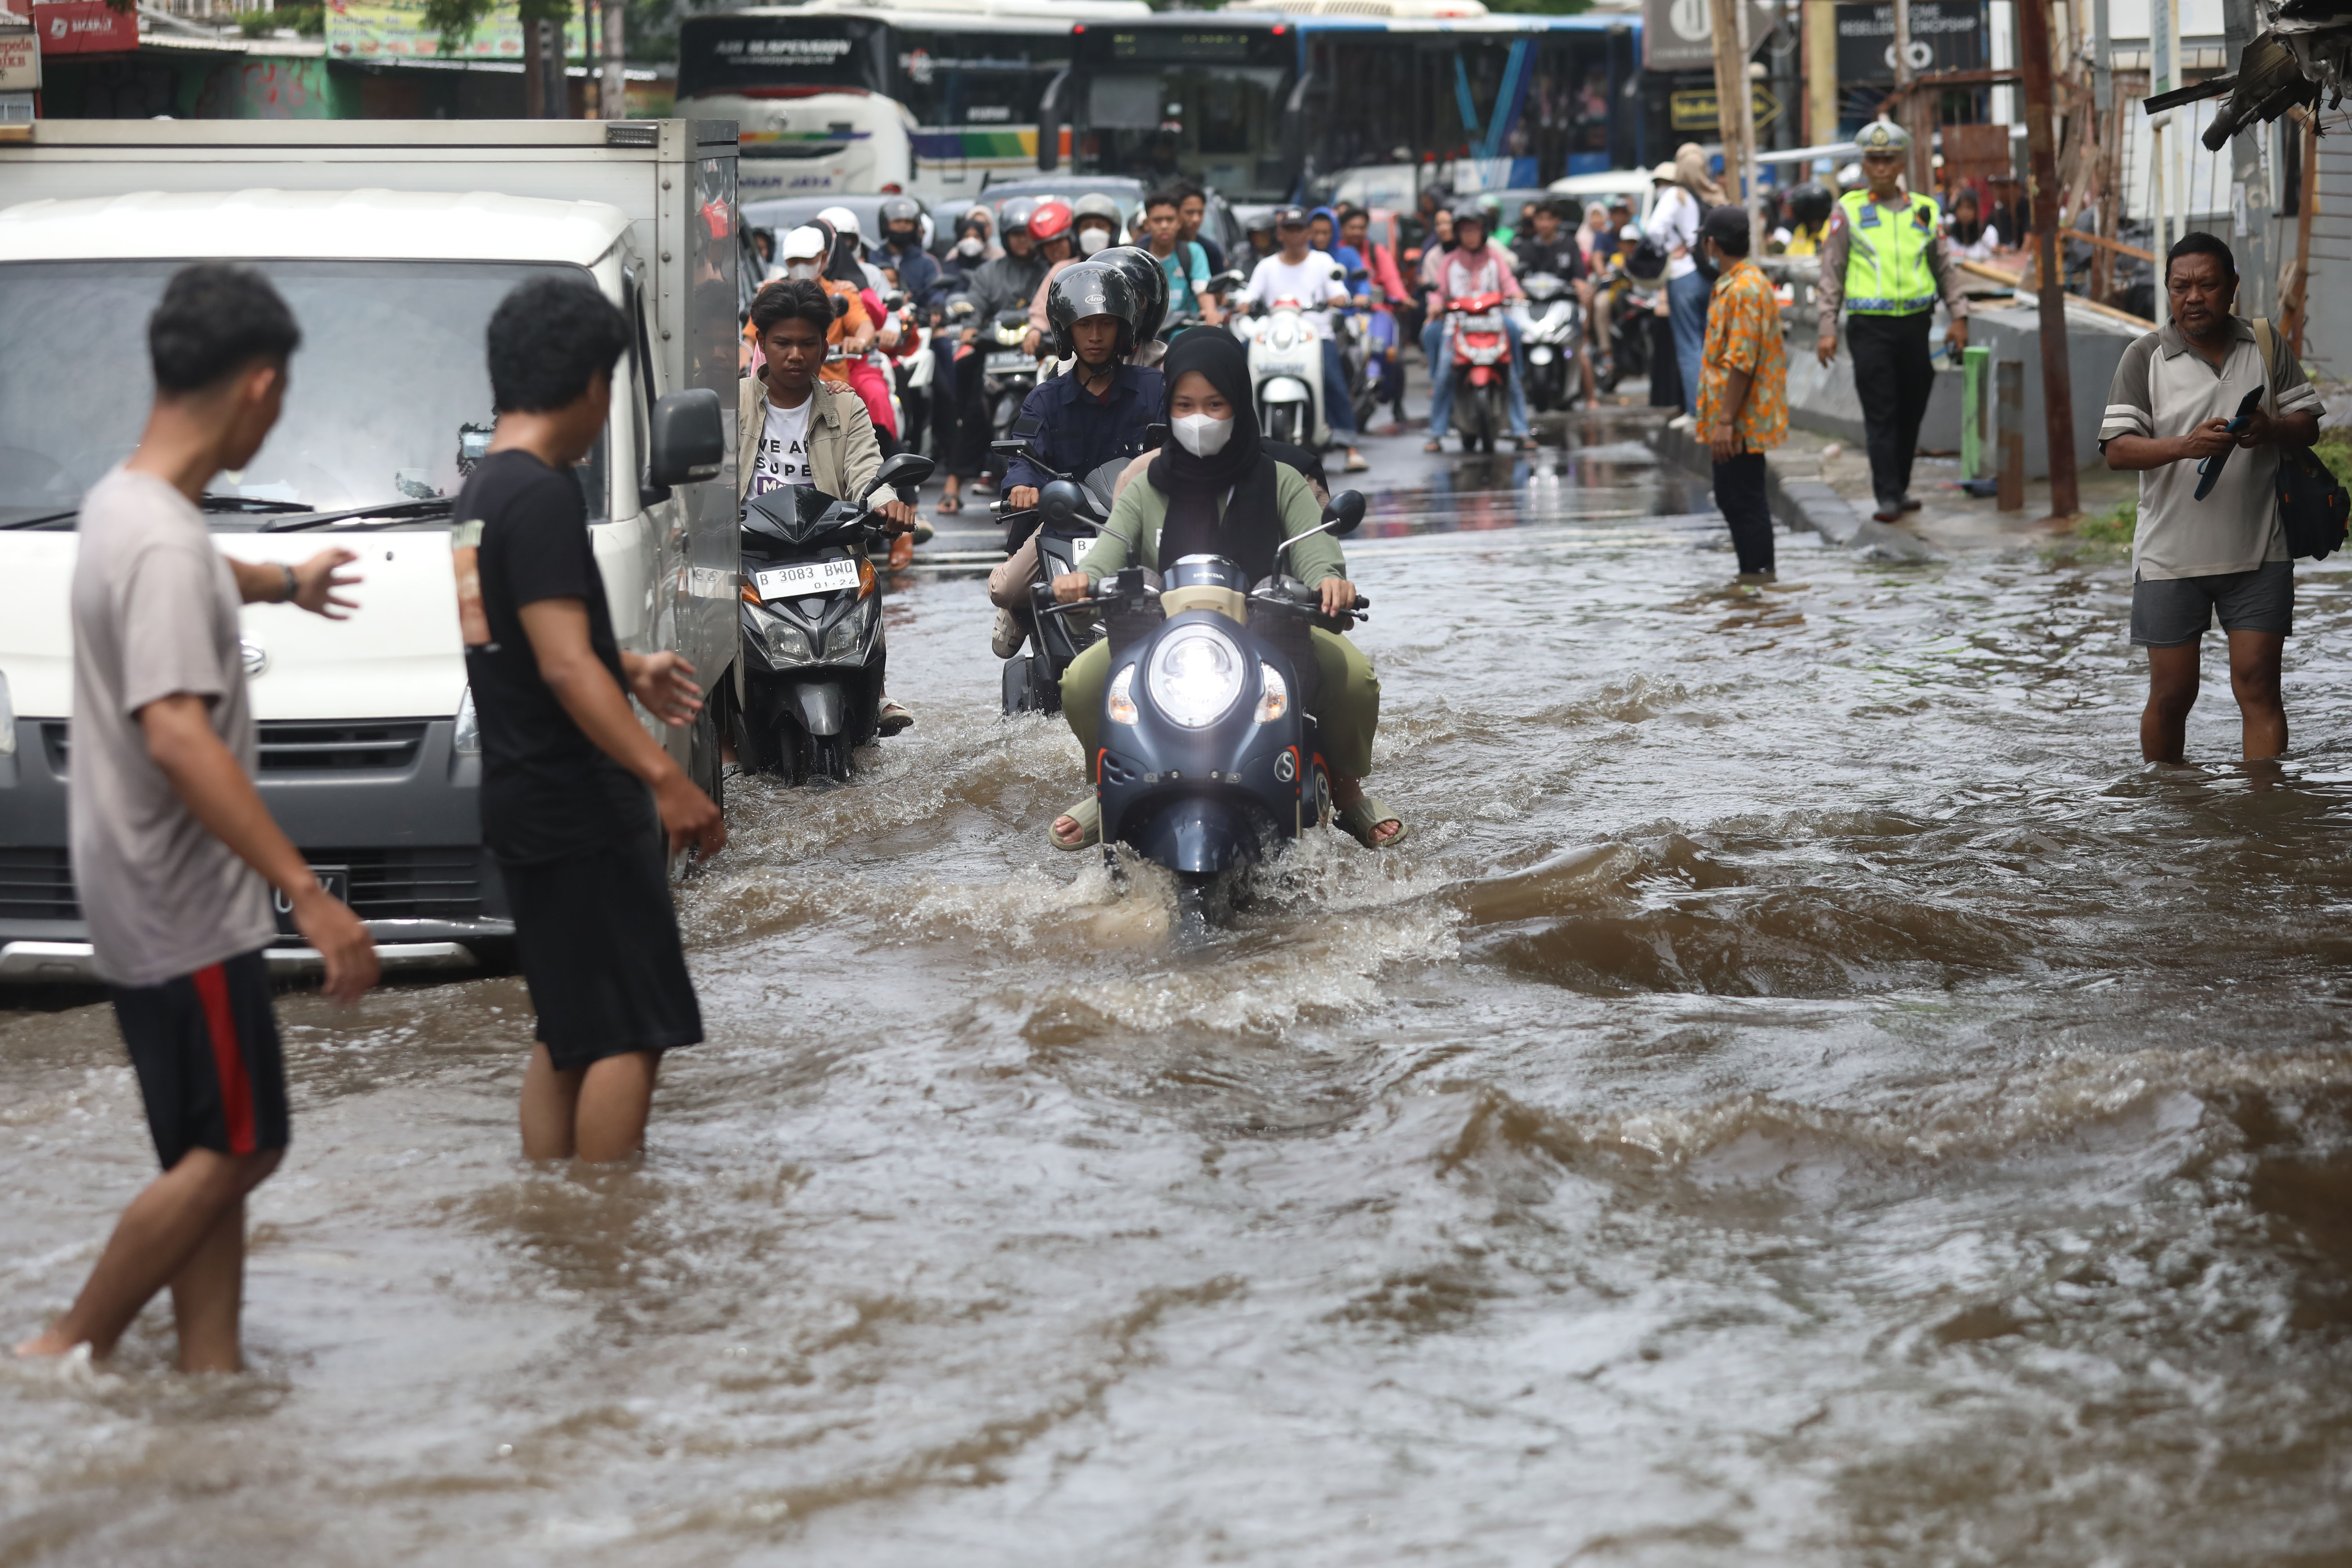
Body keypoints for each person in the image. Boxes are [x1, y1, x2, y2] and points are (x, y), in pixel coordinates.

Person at [13, 265, 378, 1375]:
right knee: (247, 1143)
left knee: (205, 1152)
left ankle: (209, 1375)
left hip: (129, 890)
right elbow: (177, 731)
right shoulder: (164, 538)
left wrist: (282, 581)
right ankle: (65, 1344)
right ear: (260, 387)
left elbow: (187, 566)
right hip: (186, 905)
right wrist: (311, 893)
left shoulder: (125, 503)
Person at [453, 277, 721, 1166]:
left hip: (521, 795)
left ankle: (557, 1216)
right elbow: (563, 664)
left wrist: (628, 664)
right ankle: (609, 1228)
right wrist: (667, 779)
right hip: (580, 802)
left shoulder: (481, 496)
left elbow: (523, 644)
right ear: (584, 386)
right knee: (628, 1028)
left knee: (567, 1024)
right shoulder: (541, 497)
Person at [1043, 330, 1403, 851]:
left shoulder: (1281, 481)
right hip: (1164, 639)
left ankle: (1347, 794)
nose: (1199, 418)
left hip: (1273, 633)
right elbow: (1106, 553)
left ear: (1240, 403)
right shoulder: (1146, 485)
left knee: (1356, 681)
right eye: (1186, 404)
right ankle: (1108, 789)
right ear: (1169, 407)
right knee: (1080, 682)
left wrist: (1329, 582)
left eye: (1215, 404)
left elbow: (1316, 552)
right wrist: (1078, 583)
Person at [2098, 233, 2322, 765]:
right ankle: (2168, 812)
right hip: (2169, 559)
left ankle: (2263, 812)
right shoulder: (2144, 357)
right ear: (2169, 291)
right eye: (2180, 287)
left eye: (2206, 285)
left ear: (2232, 289)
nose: (2193, 297)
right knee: (2173, 695)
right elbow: (2116, 451)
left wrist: (2269, 429)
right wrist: (2186, 446)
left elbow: (2308, 425)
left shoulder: (2265, 344)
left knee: (2261, 686)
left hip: (2260, 551)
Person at [741, 279, 919, 733]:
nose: (795, 355)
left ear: (825, 346)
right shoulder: (732, 405)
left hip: (826, 546)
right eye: (782, 343)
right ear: (762, 343)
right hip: (748, 548)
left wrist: (886, 503)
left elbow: (866, 471)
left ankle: (873, 691)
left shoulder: (846, 405)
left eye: (807, 343)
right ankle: (724, 736)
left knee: (867, 580)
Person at [988, 262, 1166, 658]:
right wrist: (1021, 486)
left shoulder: (1155, 388)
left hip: (1139, 521)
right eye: (1085, 325)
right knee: (1005, 589)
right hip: (1067, 523)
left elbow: (1176, 445)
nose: (1096, 336)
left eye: (1106, 323)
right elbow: (1024, 453)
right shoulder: (1045, 398)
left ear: (1125, 327)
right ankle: (1026, 613)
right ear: (1066, 330)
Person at [1813, 119, 1970, 523]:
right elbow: (1831, 271)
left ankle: (1898, 487)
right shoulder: (1847, 211)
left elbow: (1944, 269)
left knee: (1912, 408)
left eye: (1888, 159)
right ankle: (1886, 494)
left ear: (1901, 162)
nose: (1881, 166)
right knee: (1881, 412)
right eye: (1873, 160)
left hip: (1916, 325)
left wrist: (1959, 316)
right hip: (1869, 327)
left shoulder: (1924, 210)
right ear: (1864, 165)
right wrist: (1827, 327)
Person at [1694, 204, 1788, 581]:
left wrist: (1725, 421)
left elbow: (1742, 362)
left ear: (1711, 245)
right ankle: (1751, 583)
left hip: (1741, 422)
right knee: (1731, 498)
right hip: (1733, 420)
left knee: (1745, 500)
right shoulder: (1736, 284)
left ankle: (1759, 579)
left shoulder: (1745, 289)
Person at [1237, 205, 1367, 472]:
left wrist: (1339, 298)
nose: (1295, 235)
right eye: (1289, 229)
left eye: (1299, 229)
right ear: (1280, 234)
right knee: (1238, 367)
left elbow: (1337, 289)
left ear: (1308, 232)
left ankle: (1350, 447)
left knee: (1332, 377)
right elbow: (1250, 295)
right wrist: (1243, 303)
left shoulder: (1322, 262)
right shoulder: (1267, 266)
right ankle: (1237, 438)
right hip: (1275, 335)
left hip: (1316, 335)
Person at [940, 198, 1048, 513]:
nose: (1022, 240)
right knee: (973, 405)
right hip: (996, 350)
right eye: (1016, 234)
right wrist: (971, 327)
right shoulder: (989, 271)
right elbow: (973, 306)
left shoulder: (1048, 269)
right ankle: (953, 482)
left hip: (1038, 351)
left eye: (1028, 234)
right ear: (1004, 235)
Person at [1422, 202, 1535, 454]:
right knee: (1443, 375)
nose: (1470, 235)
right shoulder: (1448, 262)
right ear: (1458, 233)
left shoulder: (1495, 258)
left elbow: (1509, 283)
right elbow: (1438, 292)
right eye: (1465, 231)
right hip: (1457, 326)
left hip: (1494, 322)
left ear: (1484, 231)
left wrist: (1516, 294)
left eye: (1475, 230)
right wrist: (1434, 305)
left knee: (1512, 374)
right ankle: (1436, 433)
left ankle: (1521, 431)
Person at [1650, 148, 1719, 423]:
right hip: (1709, 274)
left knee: (1689, 345)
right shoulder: (1711, 194)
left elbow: (1655, 229)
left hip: (1682, 275)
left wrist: (1667, 249)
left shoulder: (1674, 195)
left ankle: (1696, 411)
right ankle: (1716, 408)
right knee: (1708, 343)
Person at [1513, 197, 1596, 405]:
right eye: (1539, 219)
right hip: (1535, 306)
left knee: (1578, 351)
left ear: (1557, 221)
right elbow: (1517, 278)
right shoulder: (1527, 246)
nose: (1543, 224)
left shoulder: (1569, 244)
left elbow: (1580, 277)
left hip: (1564, 306)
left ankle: (1591, 397)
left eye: (1548, 219)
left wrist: (1580, 288)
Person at [1339, 205, 1411, 429]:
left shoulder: (1376, 252)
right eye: (1352, 227)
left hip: (1376, 313)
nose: (1356, 232)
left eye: (1361, 228)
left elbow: (1391, 279)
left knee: (1392, 354)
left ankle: (1397, 402)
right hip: (1344, 315)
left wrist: (1402, 298)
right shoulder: (1335, 253)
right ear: (1341, 229)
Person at [1142, 187, 1223, 329]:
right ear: (1147, 224)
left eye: (1170, 220)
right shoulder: (1137, 255)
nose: (1164, 226)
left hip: (1182, 333)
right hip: (1145, 335)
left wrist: (1211, 312)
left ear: (1179, 223)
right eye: (1157, 220)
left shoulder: (1193, 252)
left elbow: (1203, 290)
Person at [1021, 199, 1081, 356]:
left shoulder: (1102, 261)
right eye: (1048, 245)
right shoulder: (1054, 271)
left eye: (1059, 241)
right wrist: (1034, 331)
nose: (1055, 250)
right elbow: (1040, 313)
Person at [871, 194, 941, 312]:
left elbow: (936, 292)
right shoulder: (872, 259)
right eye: (897, 221)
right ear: (885, 224)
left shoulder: (926, 263)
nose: (903, 226)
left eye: (908, 222)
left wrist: (937, 307)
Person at [1177, 184, 1225, 274]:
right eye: (1190, 213)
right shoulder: (1152, 246)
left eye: (1201, 213)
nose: (1196, 219)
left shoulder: (1211, 251)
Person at [1946, 186, 2000, 262]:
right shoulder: (1949, 234)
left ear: (1977, 210)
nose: (1964, 212)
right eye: (1961, 207)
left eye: (1969, 208)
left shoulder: (1988, 232)